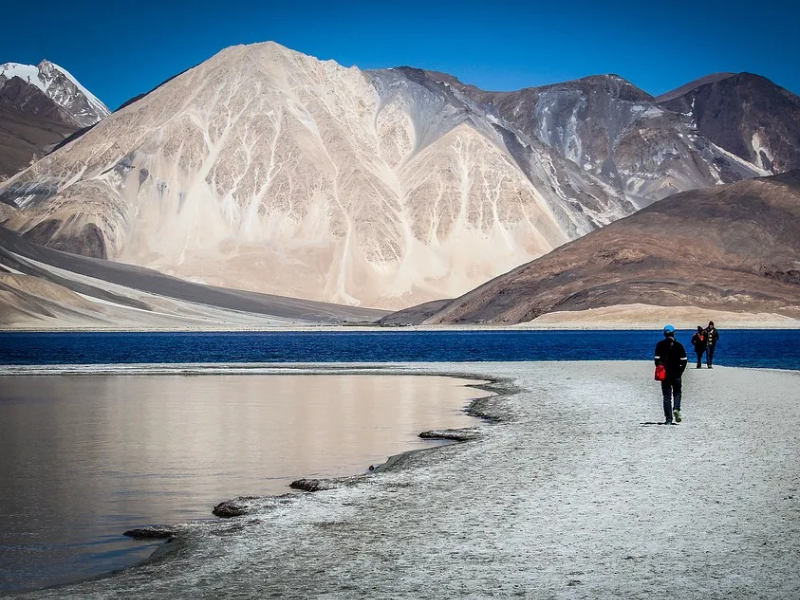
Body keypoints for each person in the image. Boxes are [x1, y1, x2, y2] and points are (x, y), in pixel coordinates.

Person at [654, 324, 688, 424]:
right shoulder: (679, 345)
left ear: (664, 334)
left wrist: (660, 368)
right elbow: (684, 360)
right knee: (677, 392)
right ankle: (676, 408)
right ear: (674, 333)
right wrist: (680, 371)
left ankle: (668, 419)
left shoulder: (660, 345)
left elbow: (656, 360)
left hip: (665, 375)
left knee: (667, 396)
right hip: (676, 374)